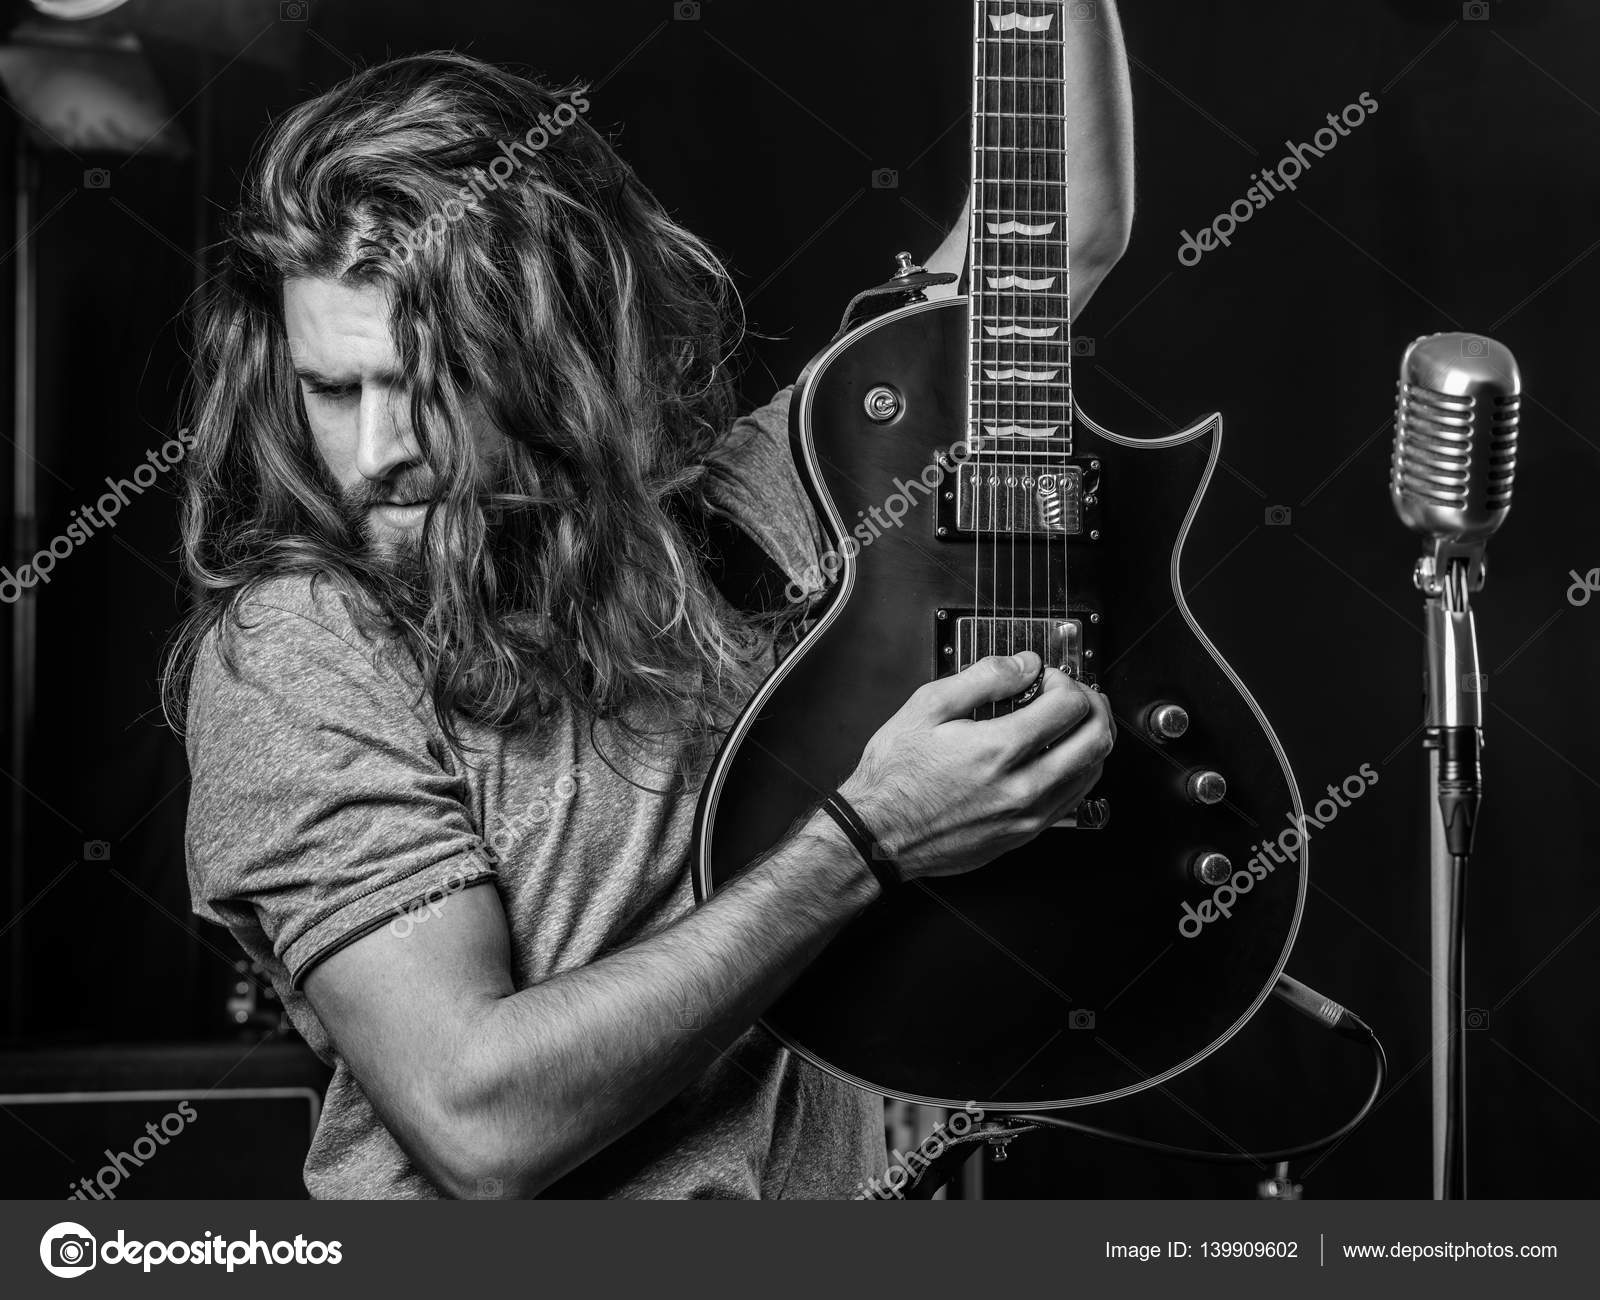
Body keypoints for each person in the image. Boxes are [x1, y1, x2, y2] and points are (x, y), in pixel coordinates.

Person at [169, 12, 1132, 1200]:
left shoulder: (755, 507)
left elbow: (1054, 240)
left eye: (434, 386)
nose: (374, 454)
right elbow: (482, 1123)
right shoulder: (301, 648)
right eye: (331, 387)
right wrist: (868, 839)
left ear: (562, 352)